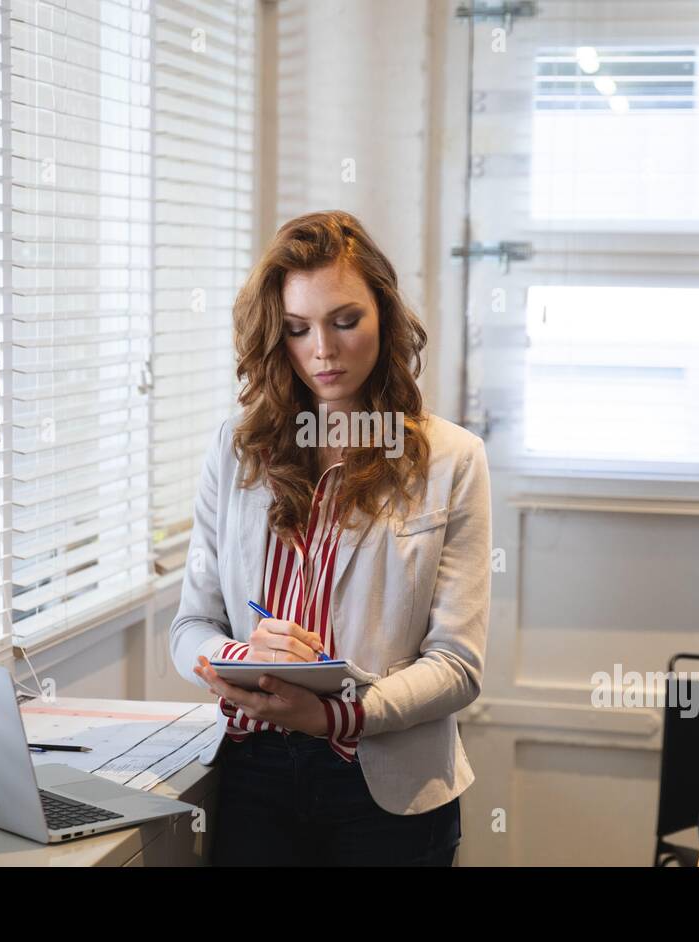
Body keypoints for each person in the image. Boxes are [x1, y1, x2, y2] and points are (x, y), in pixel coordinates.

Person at [169, 209, 492, 865]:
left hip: (388, 792)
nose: (323, 349)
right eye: (297, 329)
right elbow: (189, 629)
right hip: (253, 778)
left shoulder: (453, 460)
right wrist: (236, 655)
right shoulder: (235, 451)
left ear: (385, 315)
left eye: (345, 321)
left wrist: (334, 716)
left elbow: (458, 667)